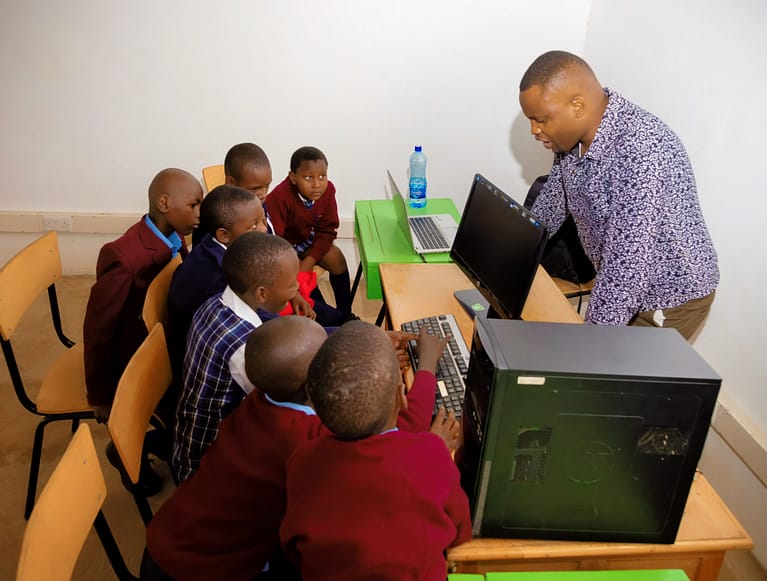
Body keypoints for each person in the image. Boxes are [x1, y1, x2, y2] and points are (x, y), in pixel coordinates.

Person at [143, 318, 455, 581]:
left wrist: (367, 349)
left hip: (171, 535)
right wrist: (426, 369)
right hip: (195, 571)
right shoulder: (306, 438)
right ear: (315, 386)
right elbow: (398, 432)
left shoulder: (263, 397)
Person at [518, 50, 719, 340]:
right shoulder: (571, 139)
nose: (534, 130)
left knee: (626, 382)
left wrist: (590, 346)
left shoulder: (640, 150)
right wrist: (512, 255)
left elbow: (626, 269)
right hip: (625, 280)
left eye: (541, 119)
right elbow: (551, 205)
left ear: (577, 106)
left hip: (669, 295)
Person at [280, 321, 471, 580]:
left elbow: (293, 549)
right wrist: (457, 455)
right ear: (401, 397)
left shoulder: (300, 461)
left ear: (315, 406)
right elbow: (460, 534)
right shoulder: (431, 453)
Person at [83, 167, 202, 495]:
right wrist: (101, 396)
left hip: (160, 340)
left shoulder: (175, 238)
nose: (199, 214)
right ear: (164, 203)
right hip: (133, 356)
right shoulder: (123, 257)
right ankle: (125, 453)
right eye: (193, 205)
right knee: (190, 413)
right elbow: (98, 331)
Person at [171, 231, 300, 483]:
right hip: (205, 468)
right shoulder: (245, 348)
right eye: (292, 284)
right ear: (262, 294)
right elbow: (280, 402)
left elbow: (275, 327)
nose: (297, 289)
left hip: (189, 438)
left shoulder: (217, 302)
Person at [167, 184, 315, 381]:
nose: (263, 229)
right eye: (254, 225)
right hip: (212, 362)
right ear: (224, 235)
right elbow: (262, 328)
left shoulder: (213, 247)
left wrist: (293, 296)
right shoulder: (220, 277)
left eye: (263, 220)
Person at [265, 146, 356, 320]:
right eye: (308, 178)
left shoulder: (328, 190)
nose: (317, 184)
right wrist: (297, 263)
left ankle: (345, 313)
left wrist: (310, 260)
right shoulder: (279, 197)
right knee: (303, 282)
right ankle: (326, 317)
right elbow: (274, 241)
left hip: (305, 239)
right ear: (293, 178)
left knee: (336, 258)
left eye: (322, 176)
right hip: (282, 246)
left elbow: (327, 230)